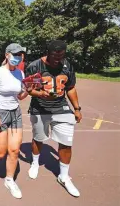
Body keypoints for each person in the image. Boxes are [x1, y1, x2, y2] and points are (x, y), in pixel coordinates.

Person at [25, 40, 82, 197]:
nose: (58, 60)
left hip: (61, 108)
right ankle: (35, 163)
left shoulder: (67, 65)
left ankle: (63, 176)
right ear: (48, 53)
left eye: (61, 56)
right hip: (40, 108)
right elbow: (30, 89)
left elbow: (70, 88)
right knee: (38, 138)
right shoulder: (35, 66)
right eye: (55, 56)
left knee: (66, 142)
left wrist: (77, 108)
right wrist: (41, 94)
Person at [0, 43, 31, 199]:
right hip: (0, 113)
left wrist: (28, 90)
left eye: (20, 55)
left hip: (15, 113)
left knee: (14, 150)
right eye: (15, 54)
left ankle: (9, 180)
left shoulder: (21, 74)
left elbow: (20, 97)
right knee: (0, 153)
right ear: (7, 55)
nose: (17, 58)